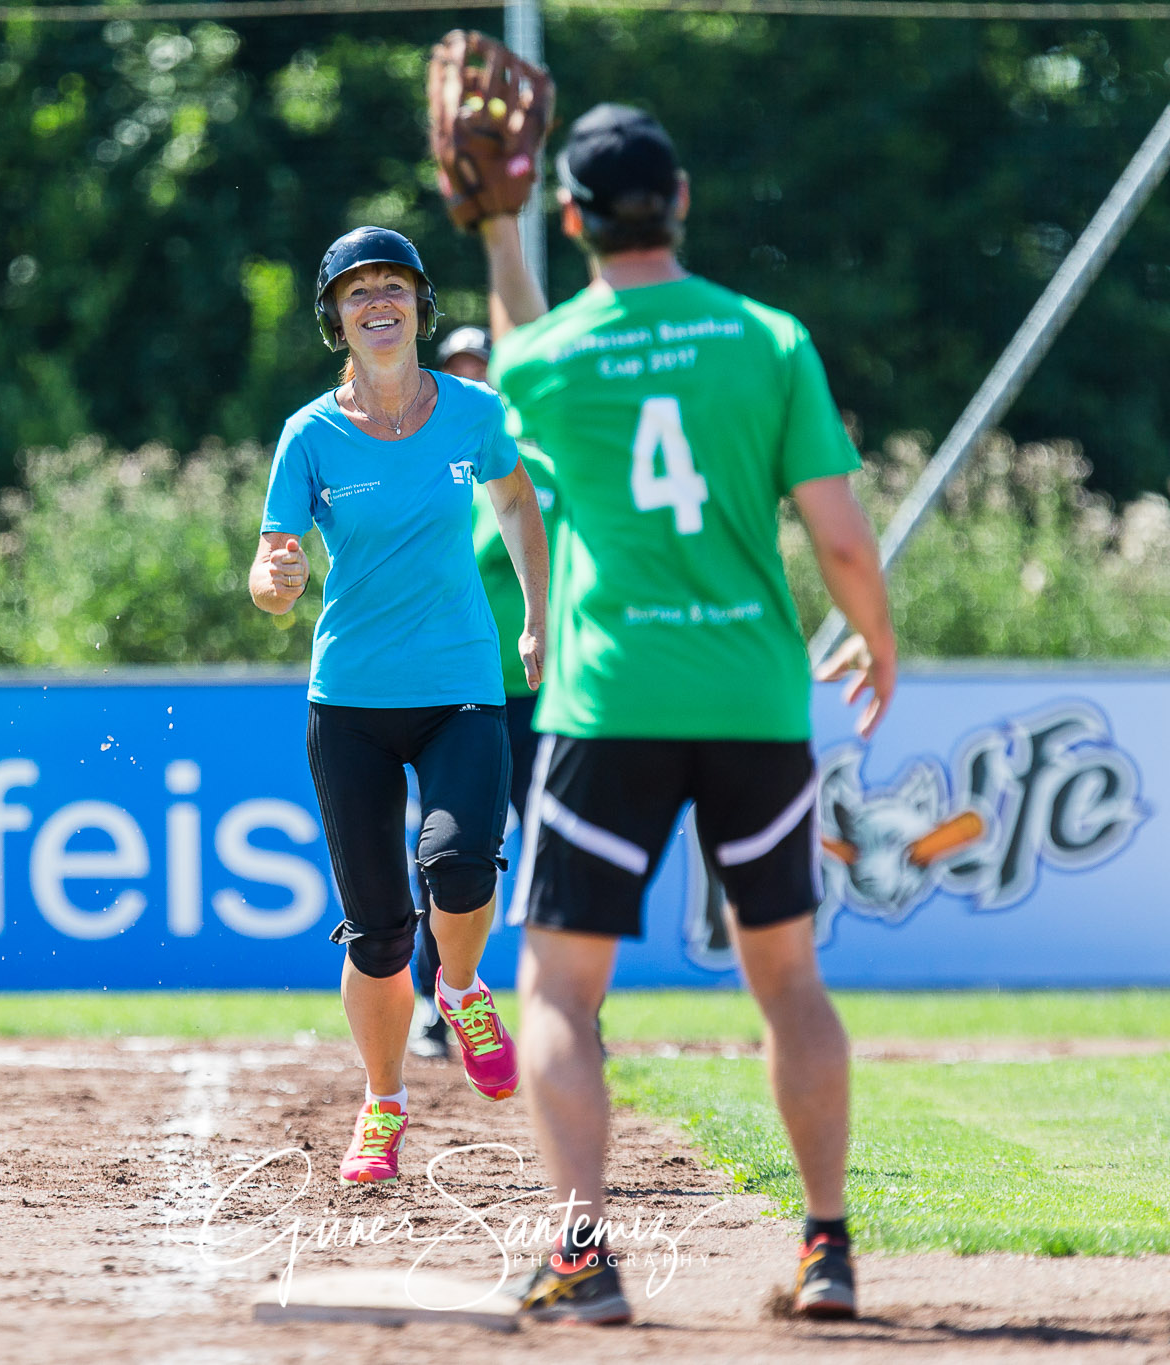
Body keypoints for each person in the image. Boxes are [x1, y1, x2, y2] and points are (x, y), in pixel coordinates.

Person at [480, 106, 897, 1323]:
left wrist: (497, 234)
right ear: (683, 201)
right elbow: (837, 538)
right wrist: (875, 643)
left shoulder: (546, 360)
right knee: (786, 979)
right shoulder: (766, 339)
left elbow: (524, 360)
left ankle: (582, 1257)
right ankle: (825, 1249)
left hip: (610, 702)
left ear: (574, 218)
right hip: (753, 699)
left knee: (557, 991)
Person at [247, 226, 551, 1184]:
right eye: (356, 290)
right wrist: (278, 579)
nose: (376, 302)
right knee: (378, 930)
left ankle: (460, 988)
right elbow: (270, 568)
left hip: (463, 684)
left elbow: (517, 507)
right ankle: (382, 1105)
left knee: (460, 866)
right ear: (335, 319)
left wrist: (539, 620)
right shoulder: (309, 434)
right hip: (350, 701)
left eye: (393, 287)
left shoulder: (472, 411)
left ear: (421, 306)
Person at [408, 325, 558, 1062]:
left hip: (549, 696)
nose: (476, 379)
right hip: (469, 692)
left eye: (484, 367)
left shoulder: (544, 464)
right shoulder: (452, 472)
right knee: (449, 857)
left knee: (561, 854)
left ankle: (567, 1007)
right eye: (463, 369)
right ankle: (434, 1005)